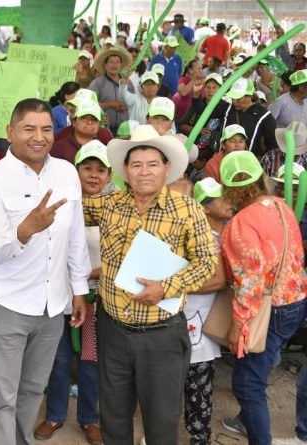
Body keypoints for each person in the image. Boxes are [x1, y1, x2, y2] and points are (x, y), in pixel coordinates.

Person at [82, 125, 216, 444]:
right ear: (125, 171)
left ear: (166, 168)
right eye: (137, 165)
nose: (144, 171)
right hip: (112, 331)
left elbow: (206, 263)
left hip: (163, 336)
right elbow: (70, 212)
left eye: (152, 164)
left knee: (161, 424)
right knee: (113, 420)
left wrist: (167, 287)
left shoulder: (187, 210)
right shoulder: (109, 205)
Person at [0, 99, 89, 445]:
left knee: (31, 390)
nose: (39, 137)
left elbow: (76, 236)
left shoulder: (67, 172)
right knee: (2, 398)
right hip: (7, 304)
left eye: (46, 129)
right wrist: (26, 229)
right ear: (10, 132)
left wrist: (79, 289)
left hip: (53, 305)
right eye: (29, 129)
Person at [218, 150, 307, 445]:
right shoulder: (282, 206)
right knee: (262, 365)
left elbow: (250, 280)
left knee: (247, 384)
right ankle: (248, 420)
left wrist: (237, 325)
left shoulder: (240, 224)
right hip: (295, 300)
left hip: (269, 308)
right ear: (260, 177)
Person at [34, 140, 110, 445]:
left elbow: (119, 257)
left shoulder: (118, 207)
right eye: (87, 168)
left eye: (100, 170)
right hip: (59, 297)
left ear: (109, 176)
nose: (93, 175)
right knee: (59, 359)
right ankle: (54, 415)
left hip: (94, 298)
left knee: (90, 361)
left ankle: (90, 419)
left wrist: (87, 275)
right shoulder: (62, 202)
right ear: (75, 171)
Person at [184, 177, 232, 445]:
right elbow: (218, 280)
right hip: (189, 319)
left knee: (200, 386)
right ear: (203, 208)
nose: (227, 202)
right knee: (188, 383)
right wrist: (175, 287)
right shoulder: (197, 237)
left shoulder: (226, 233)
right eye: (219, 199)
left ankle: (199, 437)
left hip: (206, 323)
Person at [223, 77, 278, 157]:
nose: (234, 101)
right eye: (232, 97)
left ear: (249, 96)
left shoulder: (264, 115)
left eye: (238, 98)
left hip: (249, 162)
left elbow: (272, 145)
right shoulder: (228, 108)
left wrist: (262, 161)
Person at [89, 47, 133, 134]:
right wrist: (109, 104)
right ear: (105, 65)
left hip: (125, 131)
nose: (114, 65)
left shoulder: (128, 82)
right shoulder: (97, 83)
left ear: (121, 65)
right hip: (103, 129)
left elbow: (135, 103)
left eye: (117, 62)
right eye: (111, 62)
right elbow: (89, 104)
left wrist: (126, 107)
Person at [50, 99, 103, 164]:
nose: (89, 122)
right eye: (84, 117)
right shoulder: (57, 149)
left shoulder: (103, 150)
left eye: (94, 119)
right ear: (74, 122)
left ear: (99, 125)